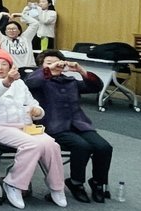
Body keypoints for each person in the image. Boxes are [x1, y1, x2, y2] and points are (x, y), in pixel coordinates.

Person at [0, 50, 65, 209]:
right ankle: (13, 183)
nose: (0, 67)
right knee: (32, 145)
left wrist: (38, 111)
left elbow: (33, 103)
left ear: (10, 67)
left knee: (51, 144)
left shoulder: (20, 83)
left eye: (4, 64)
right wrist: (7, 81)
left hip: (24, 126)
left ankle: (57, 187)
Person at [26, 50, 113, 203]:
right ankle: (75, 183)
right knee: (82, 146)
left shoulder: (70, 81)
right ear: (41, 66)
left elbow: (96, 87)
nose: (54, 65)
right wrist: (49, 70)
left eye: (57, 62)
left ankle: (98, 183)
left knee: (104, 147)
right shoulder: (38, 80)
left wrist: (80, 70)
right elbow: (30, 82)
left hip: (79, 124)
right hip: (54, 125)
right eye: (48, 63)